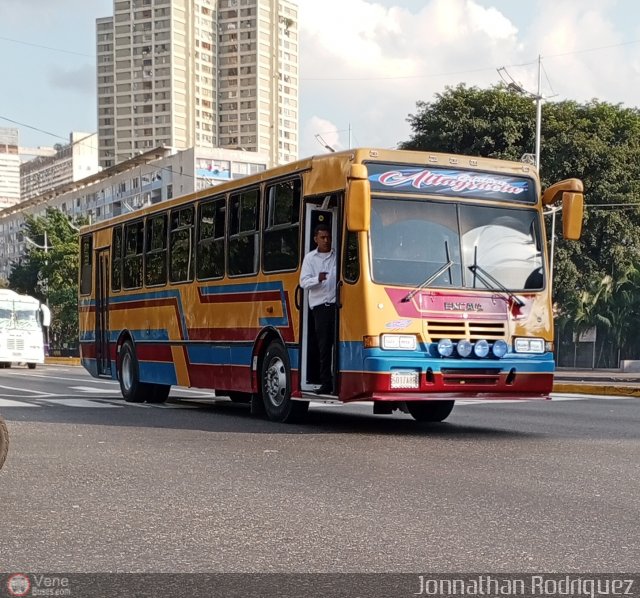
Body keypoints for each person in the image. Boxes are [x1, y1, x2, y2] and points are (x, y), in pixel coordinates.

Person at [300, 223, 336, 394]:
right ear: (315, 239)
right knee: (324, 346)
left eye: (328, 237)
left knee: (338, 344)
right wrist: (317, 279)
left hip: (337, 306)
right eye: (322, 237)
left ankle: (338, 379)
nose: (326, 240)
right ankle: (325, 382)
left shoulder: (336, 256)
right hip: (320, 307)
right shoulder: (310, 259)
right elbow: (303, 282)